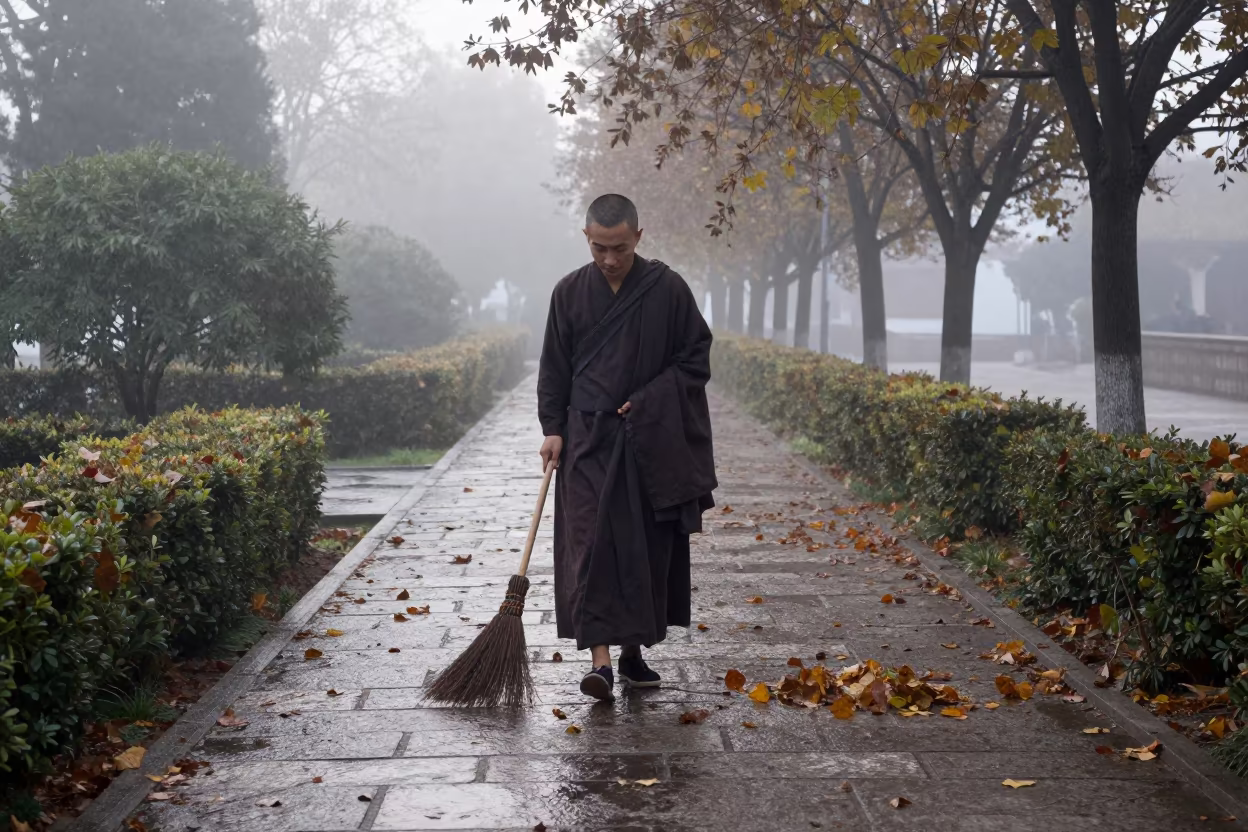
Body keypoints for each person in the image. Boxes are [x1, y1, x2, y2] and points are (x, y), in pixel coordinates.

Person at [537, 193, 717, 702]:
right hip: (587, 440)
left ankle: (633, 654)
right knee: (590, 547)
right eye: (599, 248)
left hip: (647, 443)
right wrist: (552, 427)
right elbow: (553, 369)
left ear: (638, 236)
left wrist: (650, 400)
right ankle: (600, 664)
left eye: (618, 248)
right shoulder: (569, 293)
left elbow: (695, 357)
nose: (609, 259)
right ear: (586, 238)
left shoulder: (668, 290)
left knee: (642, 550)